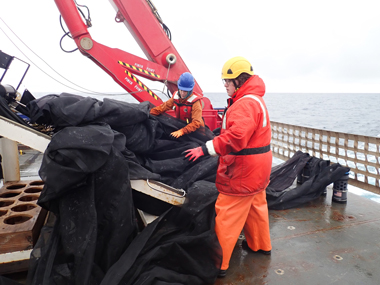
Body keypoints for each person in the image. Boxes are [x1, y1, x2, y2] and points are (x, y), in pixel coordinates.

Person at [184, 56, 272, 278]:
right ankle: (260, 245)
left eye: (227, 81)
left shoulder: (245, 104)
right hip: (259, 169)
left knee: (228, 213)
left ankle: (218, 263)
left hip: (243, 171)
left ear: (239, 81)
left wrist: (206, 148)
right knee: (256, 205)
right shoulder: (256, 100)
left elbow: (237, 137)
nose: (224, 85)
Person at [150, 72, 204, 138]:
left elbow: (196, 122)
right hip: (181, 128)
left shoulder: (195, 102)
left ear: (190, 90)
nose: (182, 93)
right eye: (181, 90)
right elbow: (162, 107)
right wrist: (150, 113)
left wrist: (182, 131)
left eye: (185, 91)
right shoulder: (176, 98)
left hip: (196, 133)